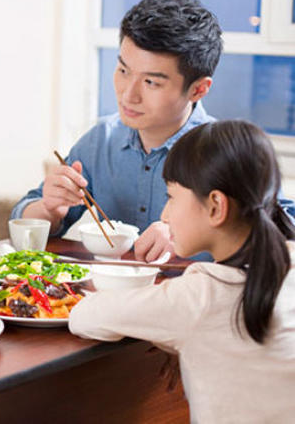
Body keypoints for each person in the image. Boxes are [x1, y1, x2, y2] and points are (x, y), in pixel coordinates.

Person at [12, 0, 294, 262]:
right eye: (123, 70)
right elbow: (21, 218)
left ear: (198, 89)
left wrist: (191, 233)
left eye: (151, 82)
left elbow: (287, 232)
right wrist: (50, 209)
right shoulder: (101, 141)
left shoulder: (228, 152)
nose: (127, 94)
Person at [69, 120, 295, 422]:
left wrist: (170, 334)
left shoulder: (198, 297)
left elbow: (84, 317)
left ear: (216, 206)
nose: (164, 214)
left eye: (172, 197)